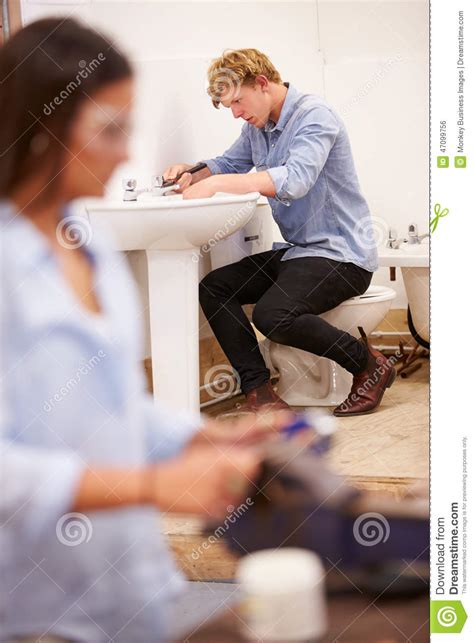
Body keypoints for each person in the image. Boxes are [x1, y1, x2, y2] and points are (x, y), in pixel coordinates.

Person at [0, 20, 289, 643]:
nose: (125, 151)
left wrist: (209, 438)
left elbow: (111, 408)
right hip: (37, 608)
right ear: (43, 127)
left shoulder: (89, 245)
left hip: (132, 587)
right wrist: (155, 485)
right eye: (109, 129)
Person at [163, 48, 396, 417]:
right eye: (229, 107)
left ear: (262, 83)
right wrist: (193, 172)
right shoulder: (257, 128)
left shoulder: (315, 117)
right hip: (300, 251)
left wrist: (218, 183)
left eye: (238, 101)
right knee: (214, 288)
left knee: (272, 316)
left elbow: (297, 179)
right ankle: (260, 393)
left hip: (342, 255)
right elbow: (228, 162)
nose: (236, 112)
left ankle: (369, 365)